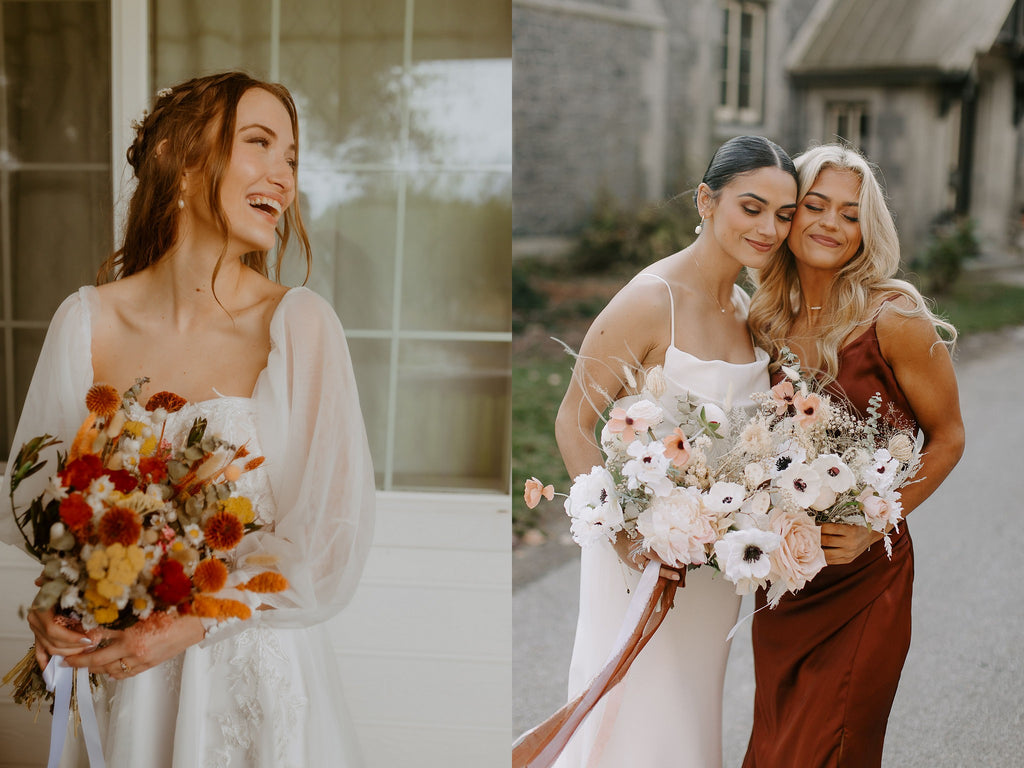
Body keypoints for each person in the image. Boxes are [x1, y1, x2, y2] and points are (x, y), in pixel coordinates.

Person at [0, 72, 375, 767]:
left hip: (249, 683)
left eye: (291, 156)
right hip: (122, 680)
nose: (283, 177)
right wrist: (56, 601)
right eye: (259, 143)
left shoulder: (299, 326)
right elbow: (42, 505)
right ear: (181, 156)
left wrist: (187, 627)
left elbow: (326, 545)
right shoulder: (85, 321)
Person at [551, 135, 799, 768]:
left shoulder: (744, 307)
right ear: (706, 200)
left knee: (688, 718)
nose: (769, 227)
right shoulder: (650, 297)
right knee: (632, 716)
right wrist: (625, 533)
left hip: (714, 572)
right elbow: (573, 423)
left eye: (783, 213)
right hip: (642, 561)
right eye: (752, 207)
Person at [743, 144, 965, 767]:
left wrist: (875, 524)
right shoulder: (763, 321)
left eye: (850, 213)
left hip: (867, 576)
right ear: (788, 218)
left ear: (868, 228)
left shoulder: (894, 318)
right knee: (778, 745)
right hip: (787, 582)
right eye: (815, 206)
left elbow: (948, 438)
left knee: (832, 747)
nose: (831, 225)